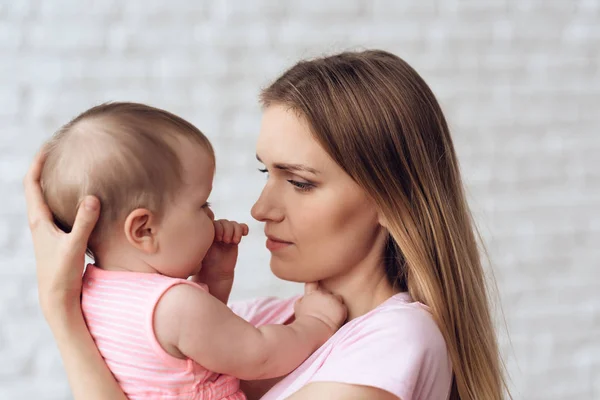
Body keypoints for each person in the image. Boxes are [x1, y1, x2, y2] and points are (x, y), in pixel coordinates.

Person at [26, 50, 509, 399]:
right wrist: (64, 310)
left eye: (298, 182)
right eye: (266, 171)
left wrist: (65, 317)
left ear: (392, 198)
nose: (260, 209)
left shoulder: (396, 343)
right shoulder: (257, 319)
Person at [38, 102, 347, 399]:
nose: (211, 218)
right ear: (144, 230)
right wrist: (315, 323)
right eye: (202, 205)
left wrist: (213, 278)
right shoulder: (176, 305)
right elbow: (259, 357)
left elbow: (183, 359)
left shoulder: (92, 294)